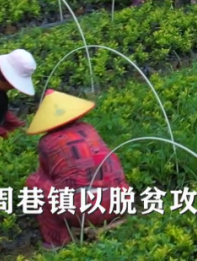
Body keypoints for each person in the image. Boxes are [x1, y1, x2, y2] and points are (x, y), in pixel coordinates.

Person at [25, 89, 130, 250]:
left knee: (34, 182)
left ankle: (58, 240)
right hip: (120, 201)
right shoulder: (88, 129)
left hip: (85, 210)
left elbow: (46, 175)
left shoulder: (47, 142)